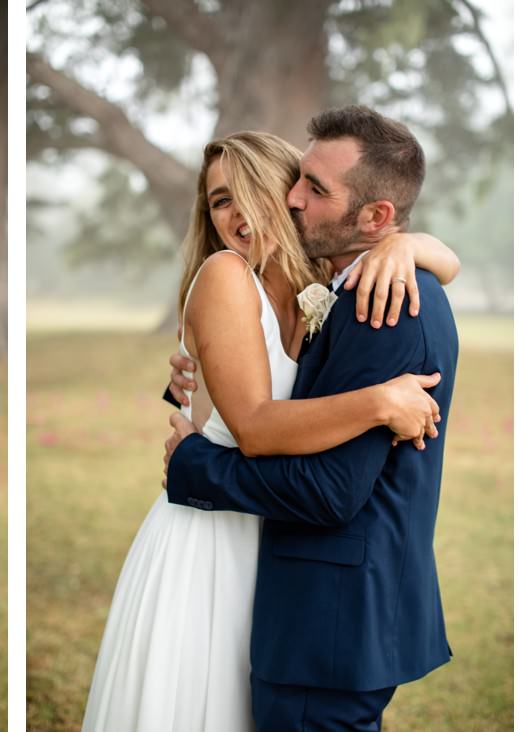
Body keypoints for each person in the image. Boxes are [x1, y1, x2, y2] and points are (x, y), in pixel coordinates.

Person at [82, 127, 458, 732]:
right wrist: (378, 402)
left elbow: (448, 262)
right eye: (219, 201)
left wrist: (406, 245)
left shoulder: (323, 284)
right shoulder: (228, 274)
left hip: (274, 541)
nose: (238, 213)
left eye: (253, 189)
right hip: (210, 538)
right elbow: (254, 424)